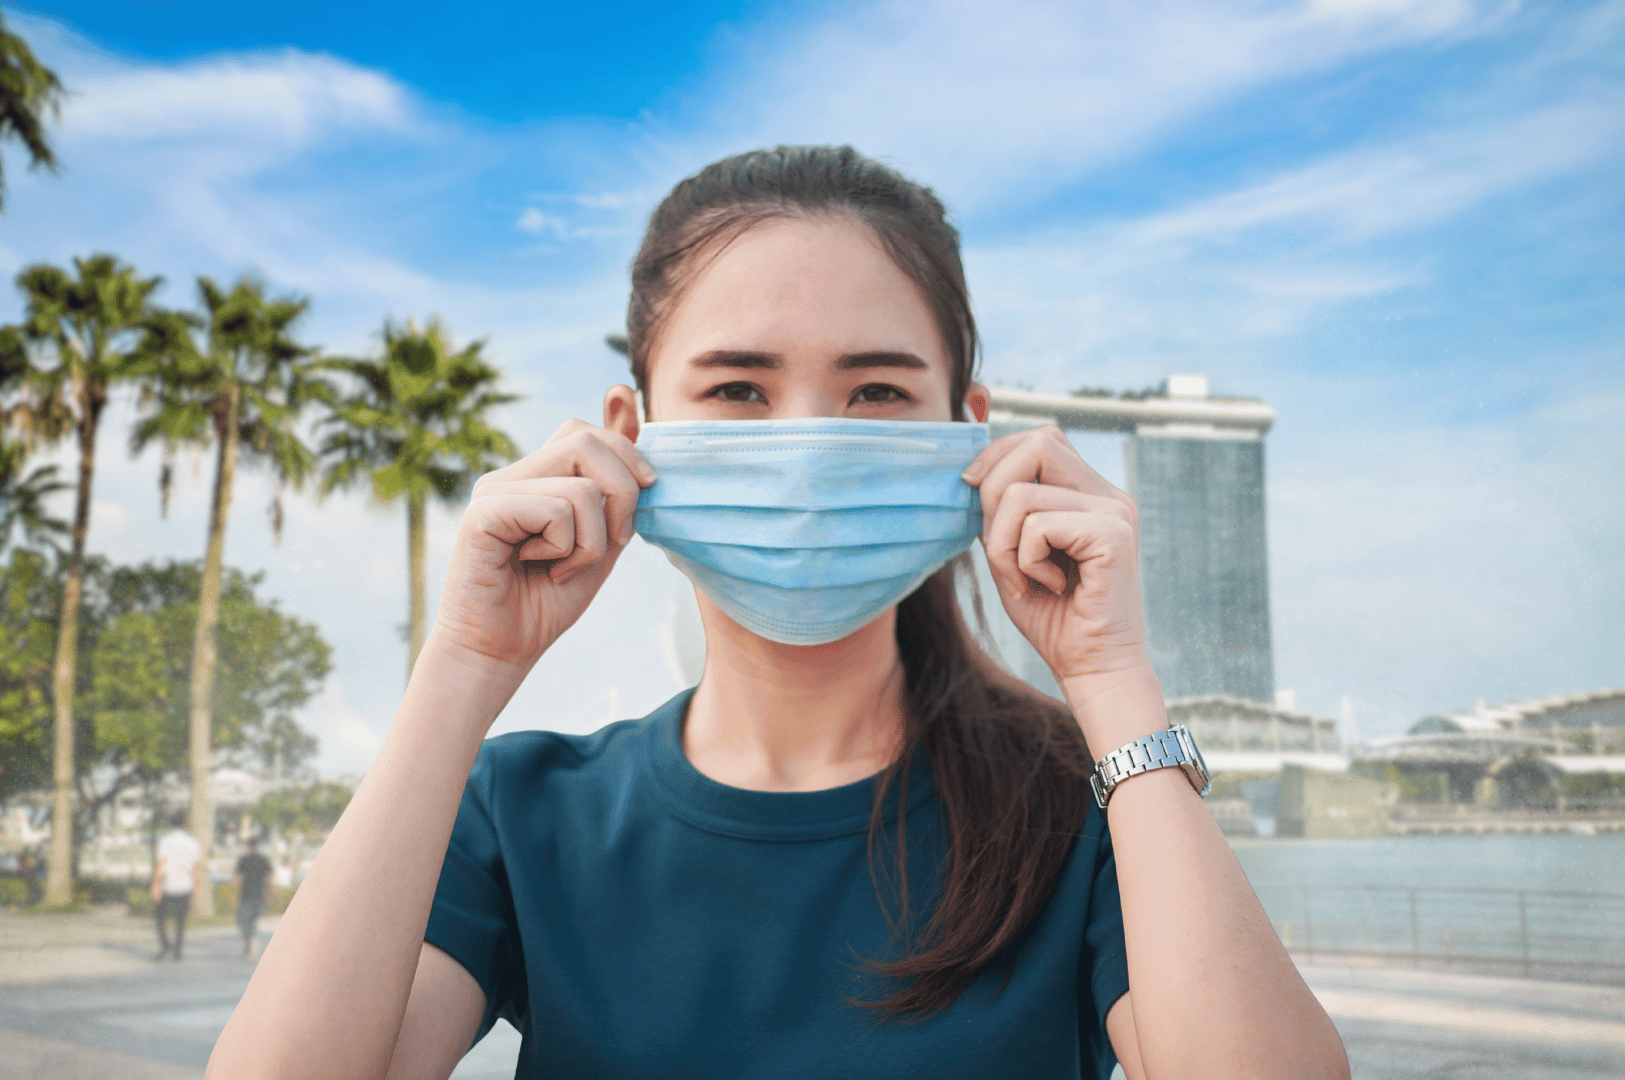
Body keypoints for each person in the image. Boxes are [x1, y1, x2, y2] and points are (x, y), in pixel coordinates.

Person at [210, 146, 1349, 1079]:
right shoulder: (521, 810)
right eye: (736, 389)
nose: (805, 446)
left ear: (969, 428)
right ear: (630, 428)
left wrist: (1109, 683)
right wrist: (463, 666)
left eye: (877, 390)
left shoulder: (1088, 802)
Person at [152, 809, 203, 962]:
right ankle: (178, 951)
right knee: (181, 920)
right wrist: (197, 887)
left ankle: (165, 944)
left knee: (160, 917)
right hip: (185, 886)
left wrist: (155, 885)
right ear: (185, 824)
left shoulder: (165, 841)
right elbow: (195, 868)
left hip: (168, 885)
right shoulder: (192, 843)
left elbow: (160, 864)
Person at [233, 837, 274, 957]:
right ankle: (250, 941)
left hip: (251, 896)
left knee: (246, 921)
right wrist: (270, 894)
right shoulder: (255, 860)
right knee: (248, 921)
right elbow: (270, 879)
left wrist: (234, 895)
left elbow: (237, 879)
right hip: (253, 896)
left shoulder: (251, 860)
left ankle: (250, 941)